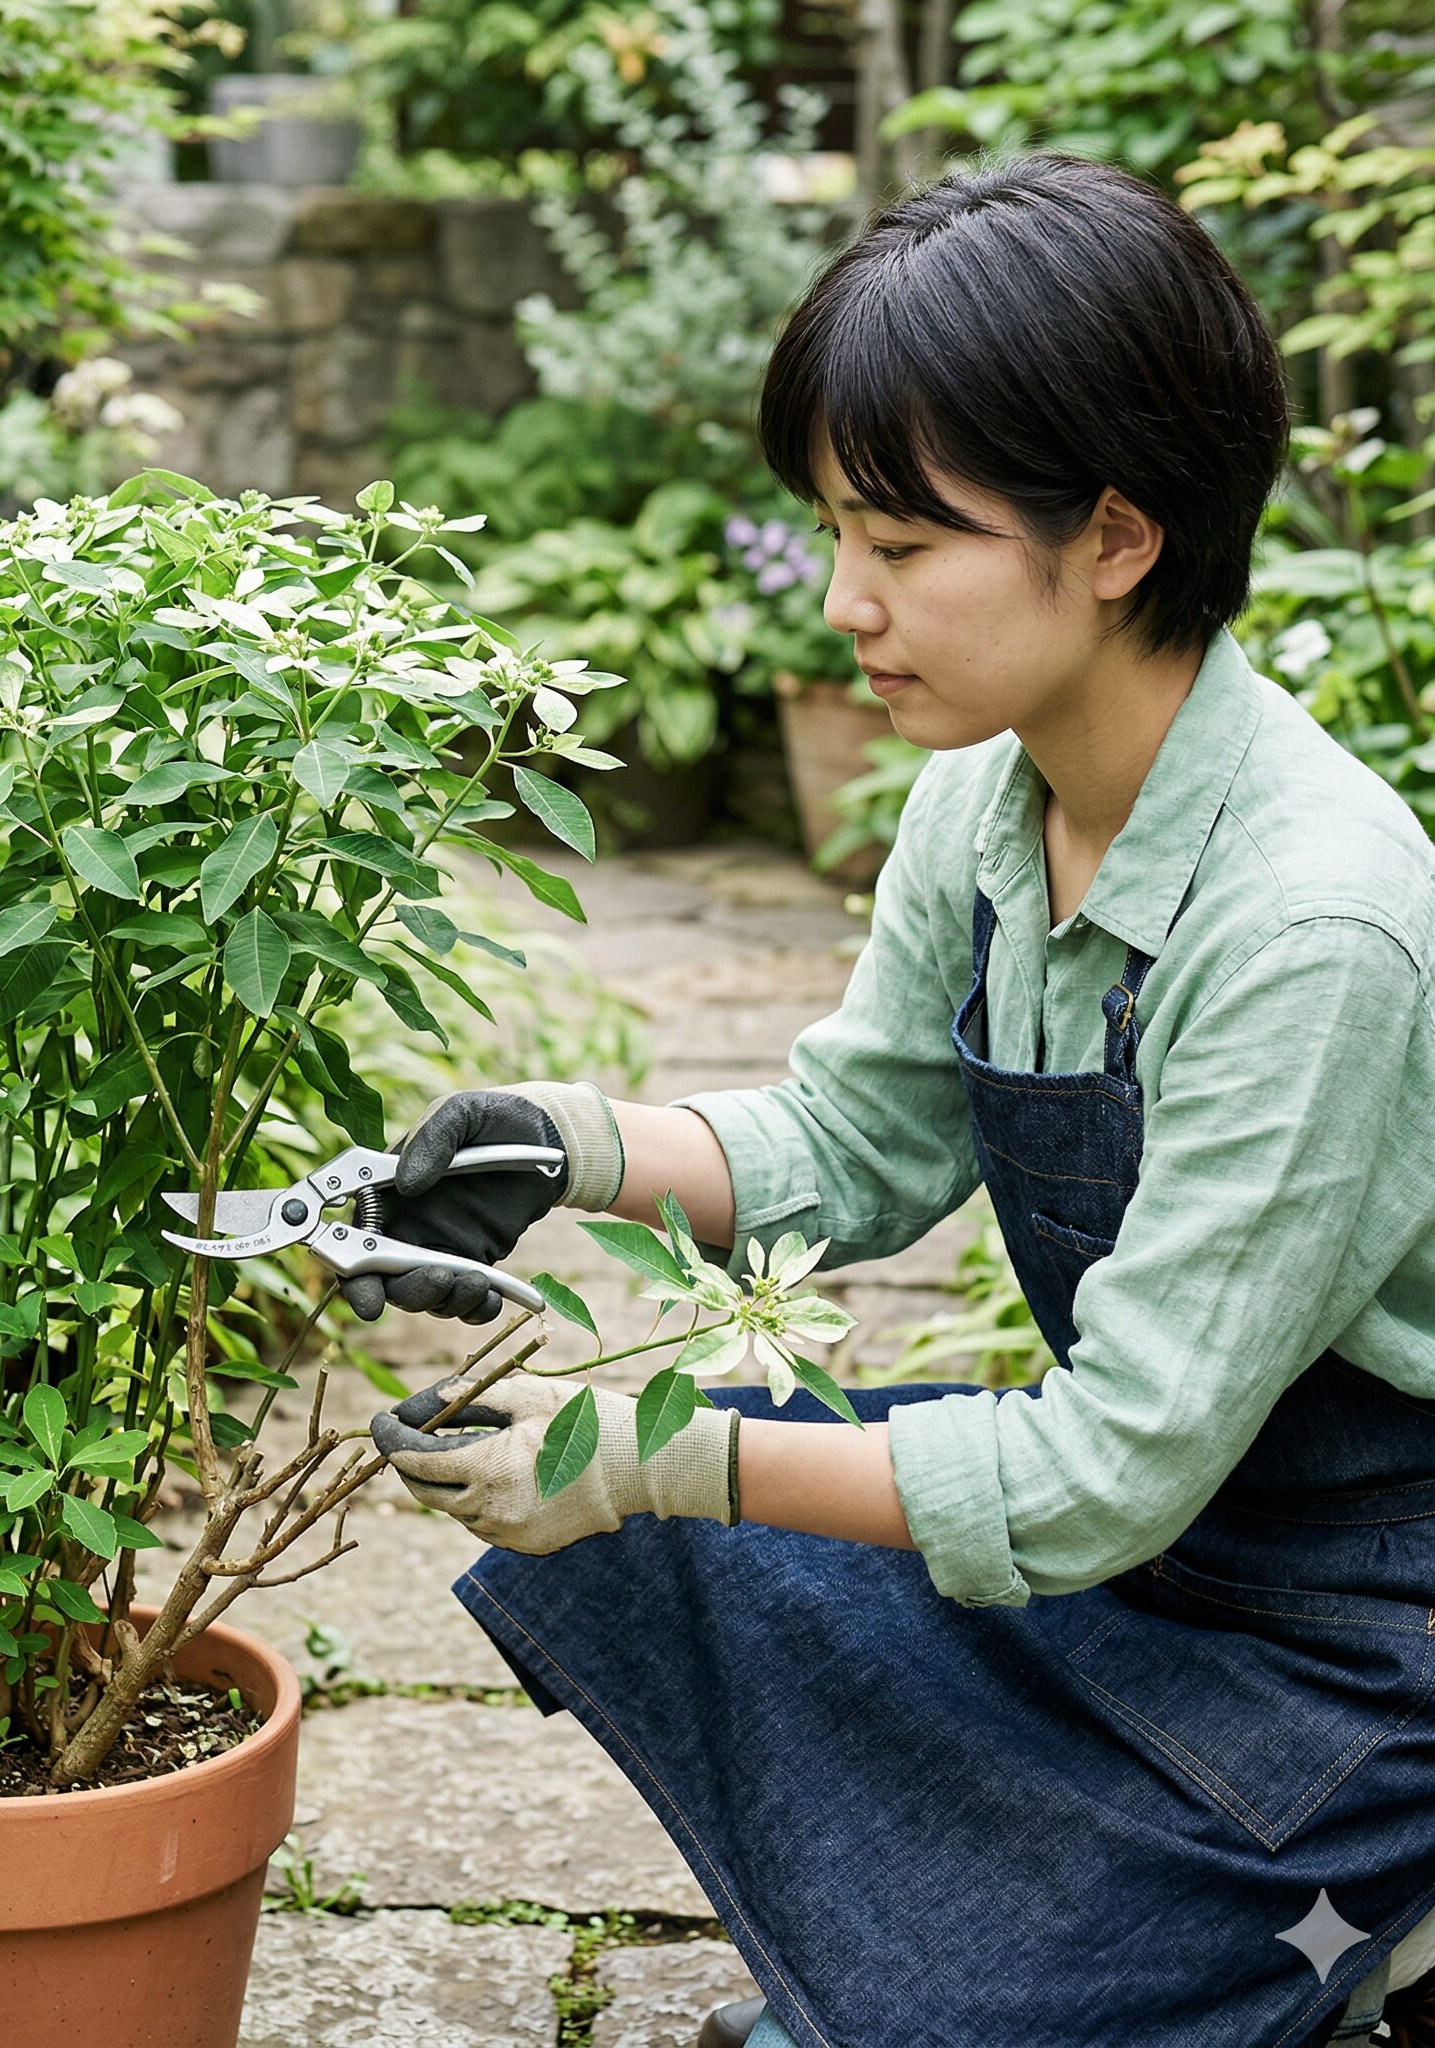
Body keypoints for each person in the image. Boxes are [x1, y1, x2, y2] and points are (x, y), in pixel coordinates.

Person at [355, 151, 1435, 2048]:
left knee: (718, 1527)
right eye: (837, 533)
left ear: (1117, 536)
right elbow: (858, 1145)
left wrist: (643, 1454)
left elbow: (1098, 1472)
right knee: (715, 1541)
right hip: (1152, 1544)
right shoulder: (984, 797)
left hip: (1366, 1630)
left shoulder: (1313, 923)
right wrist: (560, 1145)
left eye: (903, 543)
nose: (844, 603)